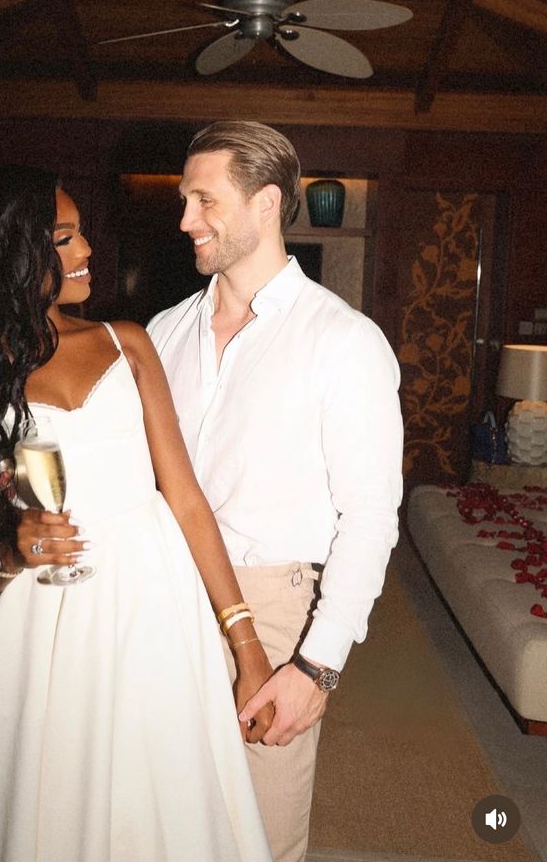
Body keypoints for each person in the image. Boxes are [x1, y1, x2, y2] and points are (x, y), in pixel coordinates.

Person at [0, 166, 276, 862]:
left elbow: (185, 498)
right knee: (49, 804)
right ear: (10, 255)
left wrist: (245, 645)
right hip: (42, 618)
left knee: (165, 793)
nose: (87, 248)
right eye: (63, 238)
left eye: (80, 231)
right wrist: (12, 550)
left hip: (153, 600)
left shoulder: (127, 342)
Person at [147, 121, 403, 862]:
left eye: (204, 200)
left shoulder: (342, 341)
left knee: (256, 831)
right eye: (184, 199)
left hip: (274, 605)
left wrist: (316, 665)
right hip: (164, 592)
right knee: (161, 808)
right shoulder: (163, 333)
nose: (185, 219)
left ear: (265, 204)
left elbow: (369, 519)